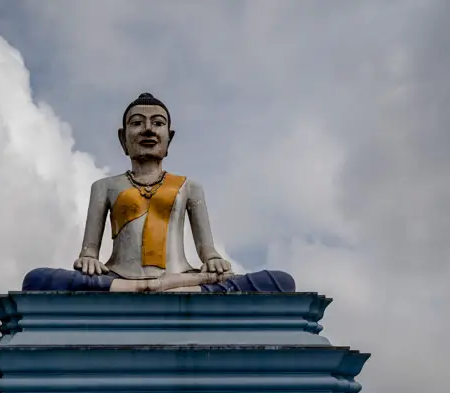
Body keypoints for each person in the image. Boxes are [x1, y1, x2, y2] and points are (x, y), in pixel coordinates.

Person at [22, 93, 295, 294]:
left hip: (181, 274)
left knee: (280, 282)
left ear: (169, 138)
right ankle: (155, 288)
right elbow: (89, 250)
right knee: (36, 279)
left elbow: (207, 250)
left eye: (157, 123)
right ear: (123, 138)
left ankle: (159, 286)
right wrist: (88, 258)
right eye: (138, 123)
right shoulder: (104, 186)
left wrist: (213, 260)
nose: (148, 129)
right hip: (119, 276)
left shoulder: (189, 187)